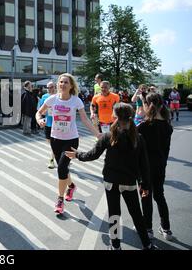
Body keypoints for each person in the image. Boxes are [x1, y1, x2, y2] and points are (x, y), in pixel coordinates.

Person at [65, 103, 156, 250]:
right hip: (129, 182)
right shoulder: (138, 137)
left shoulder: (108, 136)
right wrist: (144, 185)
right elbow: (144, 165)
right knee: (137, 215)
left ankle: (115, 246)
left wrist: (77, 155)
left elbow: (92, 155)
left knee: (114, 214)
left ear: (114, 116)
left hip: (111, 181)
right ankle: (147, 244)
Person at [36, 73, 100, 214]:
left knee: (62, 168)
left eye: (66, 82)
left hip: (71, 139)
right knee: (62, 168)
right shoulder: (52, 99)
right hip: (55, 139)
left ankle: (60, 200)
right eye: (61, 82)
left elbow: (84, 119)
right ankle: (71, 186)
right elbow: (39, 112)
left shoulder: (76, 101)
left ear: (71, 86)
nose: (62, 84)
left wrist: (97, 134)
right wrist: (39, 119)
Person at [138, 93, 173, 240]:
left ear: (147, 105)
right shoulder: (167, 126)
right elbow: (166, 150)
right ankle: (166, 229)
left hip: (144, 168)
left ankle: (148, 229)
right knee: (160, 196)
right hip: (160, 166)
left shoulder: (143, 126)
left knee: (146, 197)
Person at [37, 81, 57, 169]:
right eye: (48, 88)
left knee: (55, 143)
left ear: (55, 87)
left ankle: (52, 160)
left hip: (58, 124)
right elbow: (40, 111)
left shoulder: (60, 96)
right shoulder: (44, 97)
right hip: (48, 123)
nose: (49, 89)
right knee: (50, 142)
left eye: (51, 87)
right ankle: (59, 156)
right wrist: (41, 119)